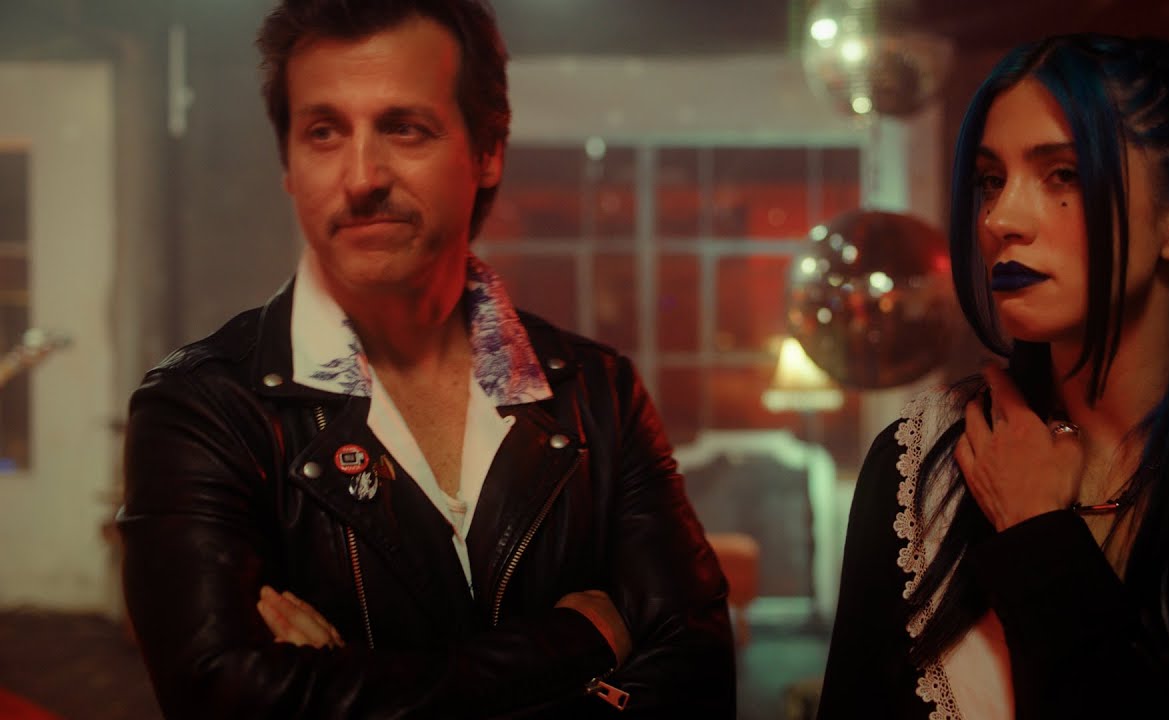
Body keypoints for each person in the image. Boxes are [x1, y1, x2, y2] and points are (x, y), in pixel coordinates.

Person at [116, 1, 735, 717]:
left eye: (403, 128)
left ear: (488, 150)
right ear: (288, 163)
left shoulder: (598, 393)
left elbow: (697, 684)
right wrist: (576, 643)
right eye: (323, 132)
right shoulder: (201, 410)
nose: (361, 178)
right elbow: (226, 701)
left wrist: (343, 684)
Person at [817, 34, 1169, 719]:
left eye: (1063, 175)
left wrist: (1036, 532)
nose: (1001, 219)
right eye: (990, 180)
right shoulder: (919, 468)